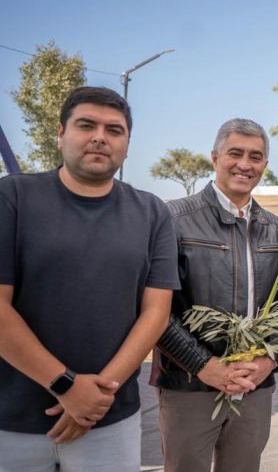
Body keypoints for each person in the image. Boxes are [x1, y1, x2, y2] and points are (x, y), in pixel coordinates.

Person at [0, 86, 178, 471]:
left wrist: (97, 397)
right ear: (60, 132)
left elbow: (155, 313)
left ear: (127, 145)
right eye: (86, 125)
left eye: (114, 130)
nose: (100, 136)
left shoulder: (152, 213)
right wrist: (65, 386)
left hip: (111, 421)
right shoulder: (12, 198)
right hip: (11, 424)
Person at [152, 118, 278, 472]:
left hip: (255, 387)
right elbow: (155, 309)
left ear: (265, 166)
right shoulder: (174, 219)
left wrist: (268, 361)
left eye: (255, 156)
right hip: (189, 387)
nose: (245, 164)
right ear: (214, 157)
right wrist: (205, 366)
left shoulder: (277, 229)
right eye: (235, 153)